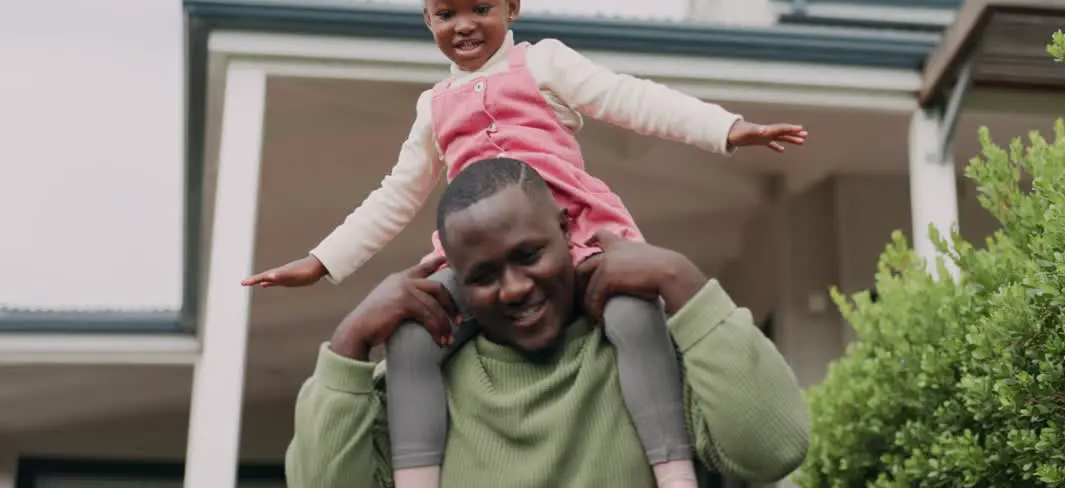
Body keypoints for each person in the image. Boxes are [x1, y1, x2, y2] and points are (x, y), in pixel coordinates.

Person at [245, 0, 808, 488]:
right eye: (447, 15)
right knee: (411, 339)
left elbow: (629, 98)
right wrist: (323, 263)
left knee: (634, 315)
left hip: (587, 241)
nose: (465, 26)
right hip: (465, 255)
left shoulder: (543, 65)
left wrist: (726, 129)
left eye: (481, 9)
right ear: (427, 19)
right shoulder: (434, 107)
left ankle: (673, 468)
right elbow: (395, 195)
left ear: (512, 6)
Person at [283, 157, 810, 487]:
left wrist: (681, 279)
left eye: (529, 254)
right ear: (454, 278)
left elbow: (773, 449)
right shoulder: (418, 390)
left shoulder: (645, 358)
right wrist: (349, 341)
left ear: (566, 230)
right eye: (483, 275)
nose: (514, 288)